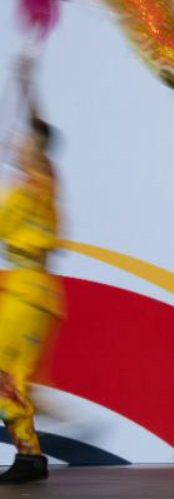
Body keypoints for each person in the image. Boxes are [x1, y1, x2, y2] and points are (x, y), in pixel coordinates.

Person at [0, 57, 61, 484]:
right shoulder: (33, 185)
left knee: (4, 374)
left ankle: (29, 457)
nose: (19, 145)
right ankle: (31, 456)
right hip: (27, 287)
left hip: (31, 289)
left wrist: (28, 90)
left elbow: (41, 138)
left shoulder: (34, 186)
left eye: (27, 142)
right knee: (11, 375)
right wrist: (25, 87)